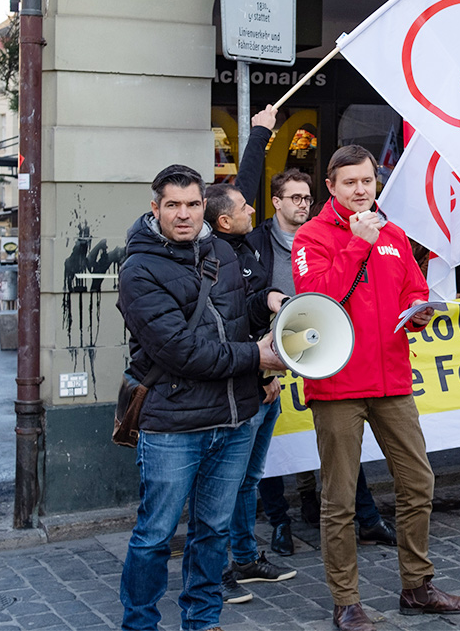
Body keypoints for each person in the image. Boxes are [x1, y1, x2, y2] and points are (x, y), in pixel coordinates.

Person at [293, 145, 460, 631]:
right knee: (339, 501)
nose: (359, 191)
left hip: (392, 379)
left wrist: (420, 310)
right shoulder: (311, 237)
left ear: (377, 183)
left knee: (419, 483)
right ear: (330, 186)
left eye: (367, 182)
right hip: (338, 385)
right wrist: (357, 244)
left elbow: (412, 289)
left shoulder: (393, 233)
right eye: (349, 182)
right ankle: (346, 601)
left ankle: (416, 585)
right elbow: (319, 301)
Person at [117, 164, 284, 631]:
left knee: (212, 534)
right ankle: (139, 625)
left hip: (233, 421)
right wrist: (256, 358)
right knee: (154, 537)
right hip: (172, 424)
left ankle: (202, 623)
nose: (185, 214)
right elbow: (181, 351)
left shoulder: (221, 251)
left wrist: (267, 301)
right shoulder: (138, 270)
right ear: (156, 209)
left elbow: (233, 319)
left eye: (192, 204)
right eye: (173, 205)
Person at [250, 168, 397, 555]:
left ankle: (365, 517)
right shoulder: (258, 243)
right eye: (294, 197)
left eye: (306, 197)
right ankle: (281, 520)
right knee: (278, 443)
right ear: (276, 201)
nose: (302, 204)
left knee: (338, 452)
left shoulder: (328, 234)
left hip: (327, 350)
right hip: (278, 350)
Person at [203, 182, 297, 604]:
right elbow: (231, 326)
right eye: (244, 206)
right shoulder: (214, 260)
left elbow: (253, 306)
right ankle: (215, 571)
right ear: (224, 220)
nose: (251, 209)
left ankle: (243, 557)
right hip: (243, 383)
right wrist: (261, 374)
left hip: (262, 377)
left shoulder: (242, 247)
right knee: (223, 483)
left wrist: (272, 299)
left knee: (249, 478)